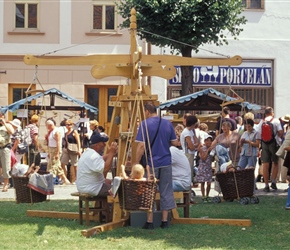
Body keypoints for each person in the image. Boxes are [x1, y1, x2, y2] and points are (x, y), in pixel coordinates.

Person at [135, 102, 178, 229]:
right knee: (166, 190)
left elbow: (141, 146)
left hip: (151, 163)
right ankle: (165, 221)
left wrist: (136, 163)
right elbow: (174, 142)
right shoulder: (167, 123)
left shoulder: (144, 124)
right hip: (166, 161)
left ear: (147, 111)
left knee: (150, 191)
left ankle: (150, 221)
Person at [256, 107, 283, 192]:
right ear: (272, 113)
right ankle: (274, 182)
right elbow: (280, 132)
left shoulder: (261, 121)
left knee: (265, 164)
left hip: (264, 144)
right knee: (275, 162)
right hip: (274, 143)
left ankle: (266, 184)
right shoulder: (276, 121)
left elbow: (258, 134)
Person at [45, 119, 70, 184]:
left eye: (47, 125)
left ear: (50, 125)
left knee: (53, 166)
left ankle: (51, 180)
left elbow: (58, 142)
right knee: (57, 165)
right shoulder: (51, 131)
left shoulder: (56, 132)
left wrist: (57, 153)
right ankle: (65, 180)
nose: (46, 127)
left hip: (55, 150)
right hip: (51, 150)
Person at [60, 119, 81, 184]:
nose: (68, 126)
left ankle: (77, 179)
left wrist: (79, 149)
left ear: (72, 125)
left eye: (69, 124)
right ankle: (65, 179)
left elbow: (78, 141)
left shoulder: (74, 132)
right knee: (62, 163)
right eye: (66, 124)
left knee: (74, 164)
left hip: (73, 149)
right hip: (66, 149)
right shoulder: (66, 133)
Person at [180, 115, 199, 180]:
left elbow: (196, 142)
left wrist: (194, 145)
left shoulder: (190, 131)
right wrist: (194, 145)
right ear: (193, 124)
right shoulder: (186, 132)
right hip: (188, 154)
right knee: (188, 172)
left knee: (190, 171)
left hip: (190, 153)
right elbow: (192, 147)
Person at [196, 134, 213, 202]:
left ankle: (207, 195)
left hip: (208, 167)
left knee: (209, 183)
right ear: (205, 141)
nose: (209, 142)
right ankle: (203, 196)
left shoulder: (212, 148)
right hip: (203, 168)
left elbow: (212, 159)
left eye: (210, 141)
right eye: (207, 141)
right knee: (202, 182)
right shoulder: (201, 148)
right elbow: (203, 158)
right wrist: (208, 151)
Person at [0, 111, 14, 192]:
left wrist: (4, 123)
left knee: (5, 167)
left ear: (3, 117)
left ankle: (6, 184)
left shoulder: (8, 125)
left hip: (5, 148)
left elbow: (12, 132)